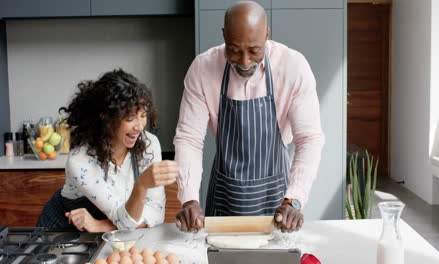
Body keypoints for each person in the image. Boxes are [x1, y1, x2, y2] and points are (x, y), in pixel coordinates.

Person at [174, 1, 325, 233]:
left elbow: (309, 139)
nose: (244, 62)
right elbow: (189, 139)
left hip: (278, 197)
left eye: (254, 51)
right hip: (225, 194)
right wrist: (189, 199)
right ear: (224, 35)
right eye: (234, 50)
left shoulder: (293, 66)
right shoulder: (202, 68)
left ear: (266, 34)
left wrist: (294, 199)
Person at [37, 69, 179, 232]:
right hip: (65, 233)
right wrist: (141, 185)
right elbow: (125, 223)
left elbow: (156, 213)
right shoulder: (81, 161)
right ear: (106, 117)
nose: (139, 126)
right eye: (130, 118)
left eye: (143, 115)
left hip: (106, 234)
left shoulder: (148, 144)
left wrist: (99, 225)